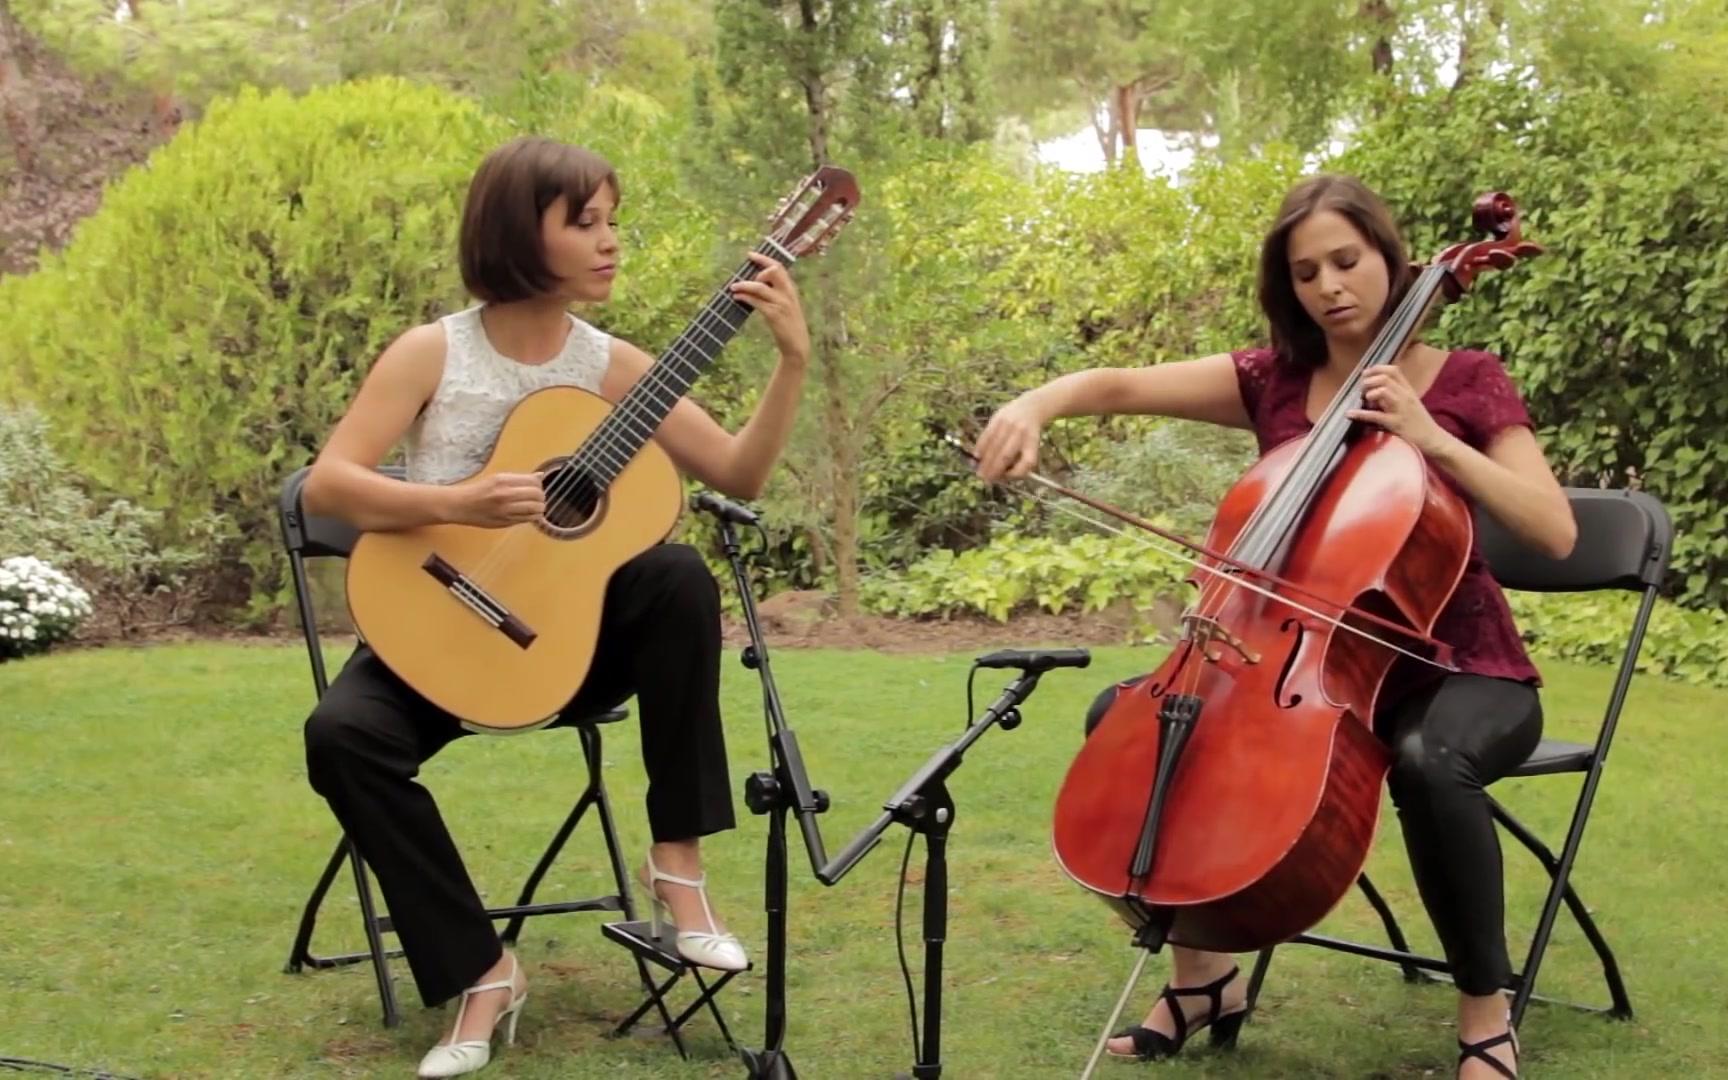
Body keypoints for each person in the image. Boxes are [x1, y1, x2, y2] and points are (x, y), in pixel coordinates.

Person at [974, 174, 1574, 1080]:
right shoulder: (1274, 382)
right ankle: (1205, 977)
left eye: (1347, 260)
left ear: (1389, 256)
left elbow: (1555, 530)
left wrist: (1432, 439)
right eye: (1305, 272)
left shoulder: (1465, 379)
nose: (1330, 285)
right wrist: (1034, 404)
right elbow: (1120, 384)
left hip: (1458, 668)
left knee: (1427, 760)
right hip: (1300, 664)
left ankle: (1486, 1015)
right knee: (1130, 721)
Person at [300, 136, 811, 1078]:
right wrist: (454, 502)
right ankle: (483, 970)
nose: (611, 242)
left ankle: (678, 877)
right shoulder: (431, 353)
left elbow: (738, 471)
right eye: (586, 223)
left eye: (614, 220)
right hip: (442, 621)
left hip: (559, 646)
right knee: (338, 735)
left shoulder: (615, 366)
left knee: (676, 576)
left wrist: (789, 360)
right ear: (514, 231)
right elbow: (329, 486)